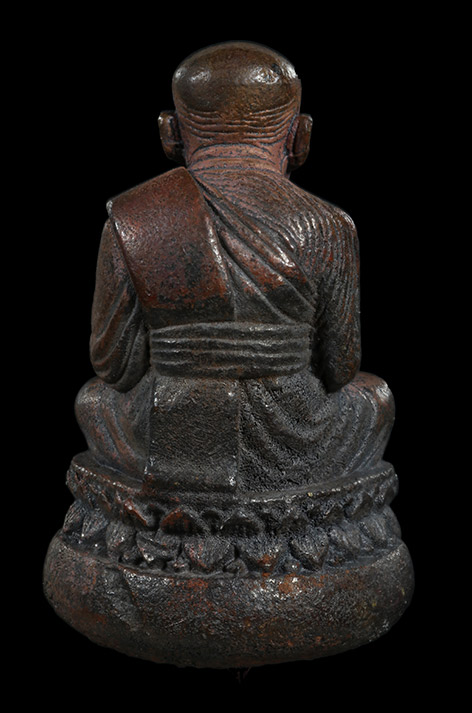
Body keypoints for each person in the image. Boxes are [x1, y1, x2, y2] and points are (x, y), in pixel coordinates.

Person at [75, 41, 395, 494]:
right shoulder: (328, 225)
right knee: (374, 397)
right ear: (300, 136)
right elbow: (340, 369)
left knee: (93, 400)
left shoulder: (136, 218)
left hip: (165, 428)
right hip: (296, 432)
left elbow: (114, 367)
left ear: (169, 131)